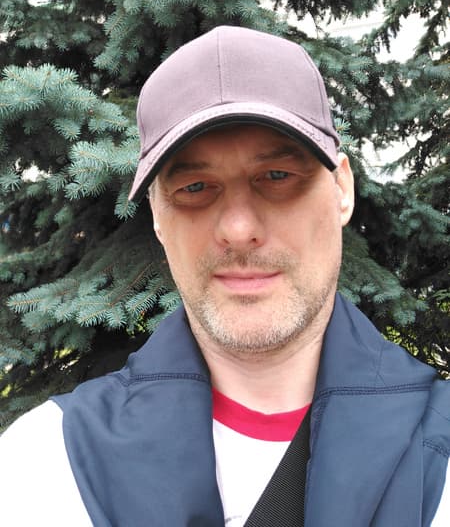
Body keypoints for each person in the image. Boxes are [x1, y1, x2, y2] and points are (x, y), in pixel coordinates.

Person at [0, 26, 448, 527]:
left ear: (342, 189)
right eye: (195, 187)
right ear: (157, 217)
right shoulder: (47, 467)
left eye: (277, 176)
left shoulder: (439, 457)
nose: (238, 230)